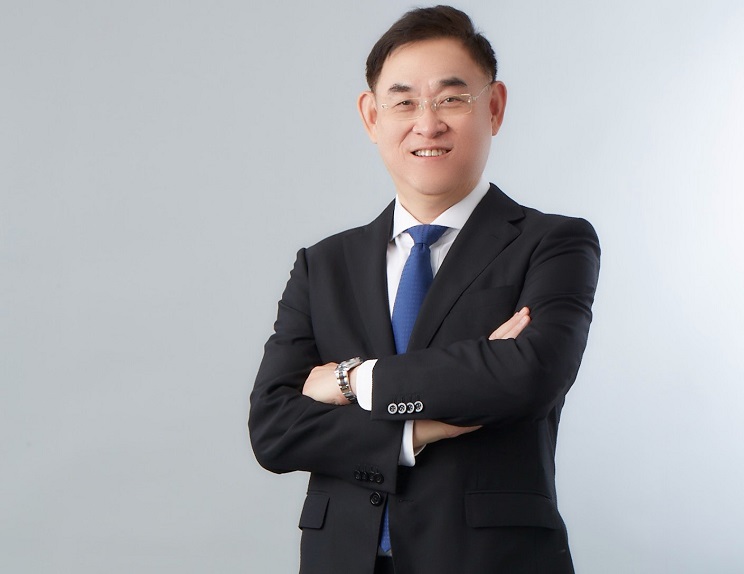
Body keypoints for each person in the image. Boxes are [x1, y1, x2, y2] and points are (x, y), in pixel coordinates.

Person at [249, 5, 600, 573]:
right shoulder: (323, 265)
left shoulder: (551, 243)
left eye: (452, 98)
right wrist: (417, 430)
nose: (427, 123)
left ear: (494, 106)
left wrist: (353, 380)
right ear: (372, 117)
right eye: (404, 101)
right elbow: (273, 427)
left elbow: (530, 375)